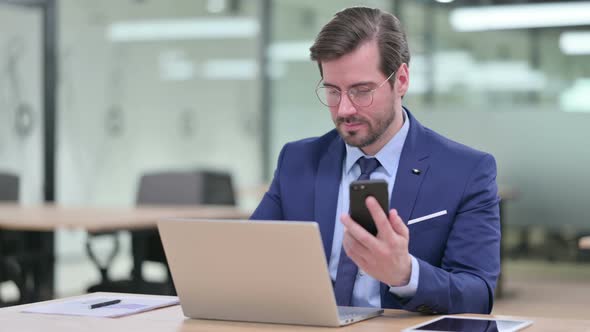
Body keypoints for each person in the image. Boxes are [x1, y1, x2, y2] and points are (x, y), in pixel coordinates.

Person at [250, 6, 500, 314]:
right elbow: (251, 258)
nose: (343, 109)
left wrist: (406, 274)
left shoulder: (466, 171)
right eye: (332, 91)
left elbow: (478, 294)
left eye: (361, 91)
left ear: (402, 80)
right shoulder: (297, 161)